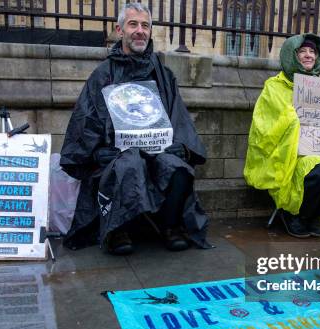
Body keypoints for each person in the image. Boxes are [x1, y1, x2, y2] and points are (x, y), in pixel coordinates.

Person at [60, 2, 209, 254]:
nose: (140, 31)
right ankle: (118, 230)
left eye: (145, 25)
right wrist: (96, 153)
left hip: (157, 149)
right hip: (118, 155)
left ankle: (170, 226)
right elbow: (87, 121)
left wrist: (181, 146)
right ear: (119, 30)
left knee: (177, 168)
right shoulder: (102, 75)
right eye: (133, 24)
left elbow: (177, 116)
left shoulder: (164, 75)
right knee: (130, 164)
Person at [244, 33, 320, 238]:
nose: (308, 55)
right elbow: (264, 127)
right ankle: (293, 214)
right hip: (287, 154)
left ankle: (313, 216)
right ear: (291, 55)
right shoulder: (274, 86)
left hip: (318, 149)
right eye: (302, 51)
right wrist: (295, 116)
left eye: (312, 51)